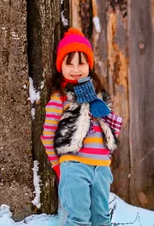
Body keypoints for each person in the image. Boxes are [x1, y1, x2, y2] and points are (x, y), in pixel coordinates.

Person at [41, 28, 123, 226]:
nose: (76, 68)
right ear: (61, 66)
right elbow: (47, 136)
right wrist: (59, 167)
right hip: (75, 167)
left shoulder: (99, 98)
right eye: (69, 63)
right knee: (79, 220)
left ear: (89, 65)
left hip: (101, 169)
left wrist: (106, 158)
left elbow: (111, 130)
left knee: (101, 219)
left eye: (81, 62)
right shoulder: (59, 99)